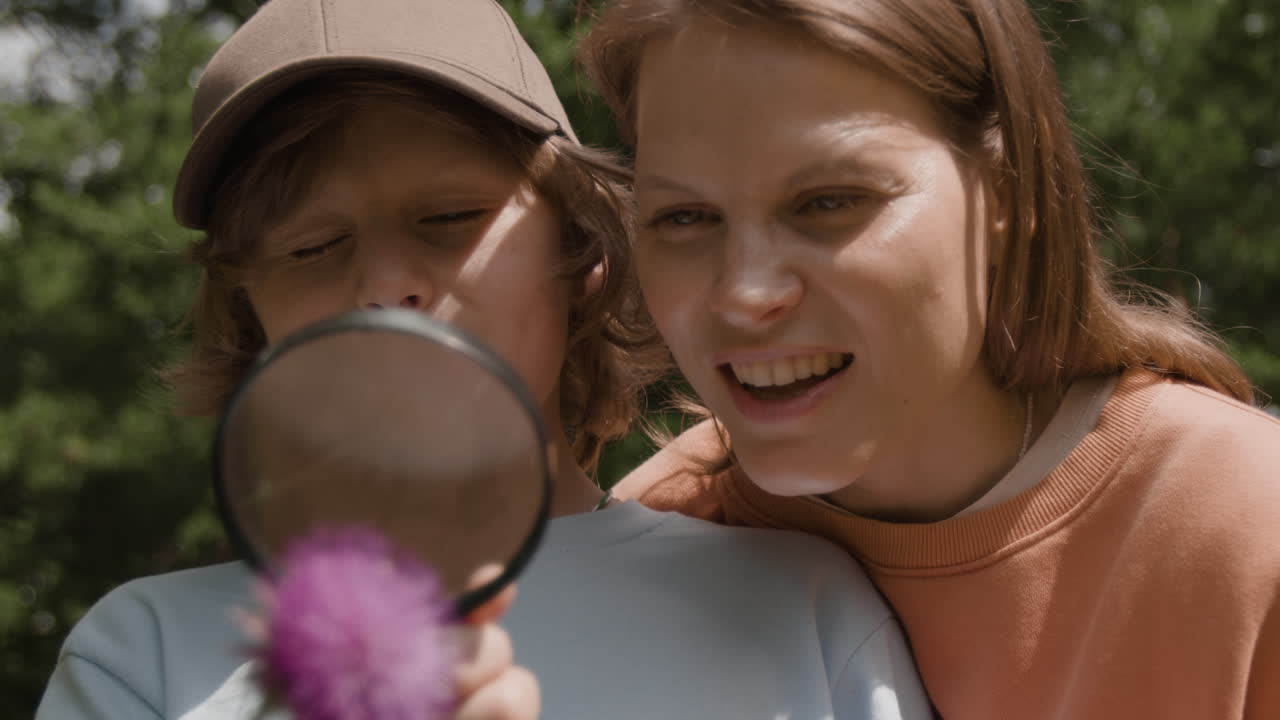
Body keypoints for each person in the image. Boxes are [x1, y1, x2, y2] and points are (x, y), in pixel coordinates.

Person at [34, 0, 932, 718]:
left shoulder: (801, 608)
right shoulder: (143, 658)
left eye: (448, 219)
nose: (386, 286)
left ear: (584, 249)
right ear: (249, 315)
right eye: (313, 247)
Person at [579, 0, 1280, 718]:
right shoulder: (654, 545)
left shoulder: (1248, 531)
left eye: (830, 202)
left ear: (1007, 191)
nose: (746, 293)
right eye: (685, 217)